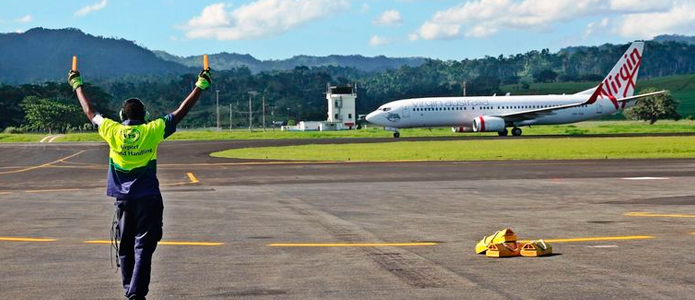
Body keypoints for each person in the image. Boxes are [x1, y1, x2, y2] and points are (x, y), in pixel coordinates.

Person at [69, 68, 211, 300]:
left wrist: (77, 85)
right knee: (143, 247)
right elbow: (181, 111)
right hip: (148, 199)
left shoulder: (111, 129)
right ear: (144, 115)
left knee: (125, 248)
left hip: (123, 201)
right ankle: (136, 293)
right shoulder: (151, 130)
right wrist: (200, 86)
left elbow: (89, 111)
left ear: (121, 116)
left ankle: (130, 291)